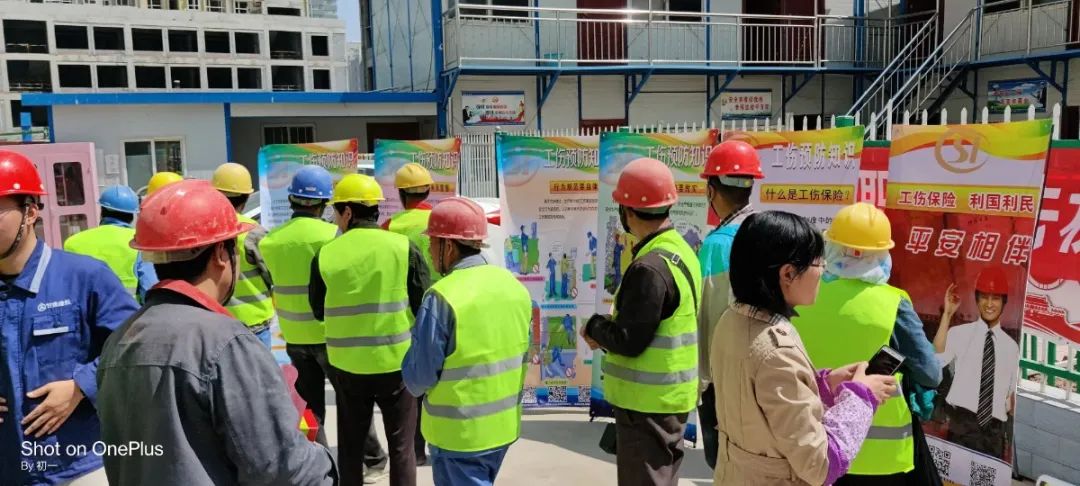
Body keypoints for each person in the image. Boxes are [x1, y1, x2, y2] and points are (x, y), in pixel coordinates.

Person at [96, 179, 337, 485]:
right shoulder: (225, 344)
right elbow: (282, 469)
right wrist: (324, 460)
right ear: (222, 254)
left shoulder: (120, 339)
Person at [711, 210, 897, 485]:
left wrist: (823, 385)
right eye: (819, 263)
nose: (824, 271)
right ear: (788, 273)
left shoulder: (733, 318)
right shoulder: (776, 351)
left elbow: (760, 404)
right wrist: (861, 396)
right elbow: (820, 464)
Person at [0, 151, 138, 486]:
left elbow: (136, 347)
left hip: (77, 467)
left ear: (30, 212)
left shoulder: (84, 278)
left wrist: (81, 386)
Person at [792, 203, 942, 485]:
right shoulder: (893, 303)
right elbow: (930, 374)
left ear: (831, 247)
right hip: (877, 459)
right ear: (882, 255)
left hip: (813, 444)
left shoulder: (803, 295)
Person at [580, 157, 701, 485]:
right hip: (669, 400)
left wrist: (595, 327)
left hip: (646, 407)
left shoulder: (649, 267)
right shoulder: (681, 251)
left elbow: (629, 340)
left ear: (627, 211)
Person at [309, 174, 430, 486]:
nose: (335, 218)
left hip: (348, 367)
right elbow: (422, 304)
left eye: (336, 211)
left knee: (351, 447)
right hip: (396, 364)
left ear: (348, 212)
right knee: (402, 448)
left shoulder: (326, 253)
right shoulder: (402, 247)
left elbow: (317, 310)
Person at [401, 197, 531, 486]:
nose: (429, 250)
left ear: (448, 246)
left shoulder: (442, 296)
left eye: (432, 242)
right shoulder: (514, 288)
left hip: (459, 436)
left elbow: (419, 378)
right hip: (502, 429)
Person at [694, 140, 764, 469]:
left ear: (711, 190)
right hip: (764, 368)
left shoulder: (717, 245)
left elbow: (707, 317)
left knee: (725, 463)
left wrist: (701, 382)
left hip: (725, 378)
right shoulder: (768, 233)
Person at [258, 165, 339, 447]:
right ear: (324, 202)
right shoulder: (333, 235)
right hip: (329, 334)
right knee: (351, 401)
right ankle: (372, 457)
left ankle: (317, 453)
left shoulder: (270, 240)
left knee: (309, 405)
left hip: (293, 335)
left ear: (291, 199)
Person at [383, 162, 440, 464]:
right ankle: (439, 443)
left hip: (406, 317)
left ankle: (416, 450)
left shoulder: (388, 227)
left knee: (414, 385)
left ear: (401, 193)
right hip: (444, 309)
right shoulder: (438, 220)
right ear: (428, 190)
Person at [934, 265, 1019, 459]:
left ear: (1004, 302)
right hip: (961, 426)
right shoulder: (959, 334)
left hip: (994, 433)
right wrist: (947, 315)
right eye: (984, 297)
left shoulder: (1012, 347)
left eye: (995, 298)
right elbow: (937, 358)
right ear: (977, 299)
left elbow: (1010, 397)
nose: (989, 304)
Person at [210, 162, 276, 347]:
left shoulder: (205, 228)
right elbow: (271, 274)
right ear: (246, 197)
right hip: (254, 323)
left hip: (217, 323)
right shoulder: (254, 232)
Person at [63, 184, 159, 301]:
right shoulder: (140, 241)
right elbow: (148, 287)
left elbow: (65, 286)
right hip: (129, 310)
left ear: (102, 211)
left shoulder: (73, 242)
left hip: (86, 311)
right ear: (131, 215)